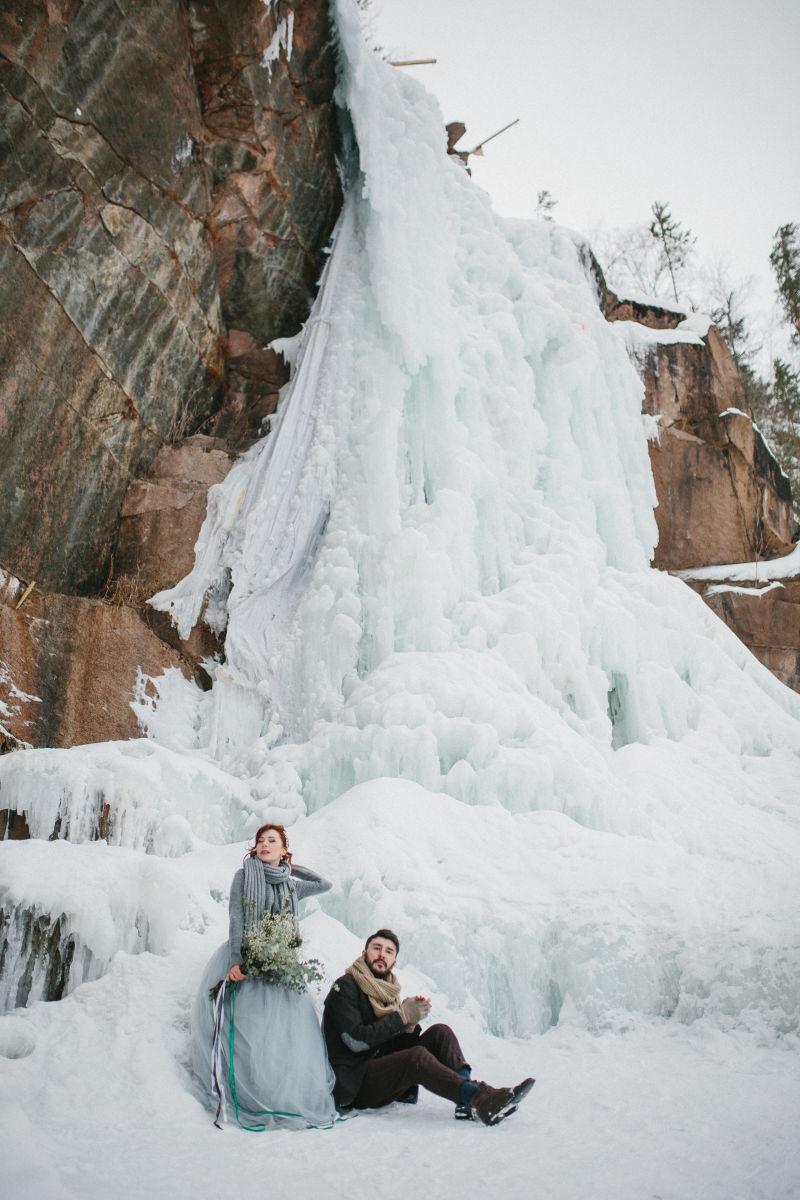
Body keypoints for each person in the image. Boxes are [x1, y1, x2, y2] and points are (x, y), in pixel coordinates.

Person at [191, 822, 337, 1130]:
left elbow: (324, 884)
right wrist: (236, 961)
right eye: (260, 841)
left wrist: (292, 867)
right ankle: (245, 1097)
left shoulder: (292, 885)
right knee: (248, 1037)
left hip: (280, 967)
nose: (264, 845)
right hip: (245, 962)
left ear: (283, 849)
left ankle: (278, 1097)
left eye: (273, 841)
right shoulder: (244, 877)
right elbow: (236, 918)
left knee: (279, 1039)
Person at [322, 928, 534, 1126]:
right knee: (416, 1057)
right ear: (364, 953)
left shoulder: (387, 992)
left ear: (394, 961)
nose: (381, 955)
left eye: (389, 951)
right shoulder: (346, 986)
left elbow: (390, 1045)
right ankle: (480, 1099)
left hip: (379, 1071)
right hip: (355, 1083)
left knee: (441, 1032)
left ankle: (468, 1100)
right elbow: (356, 1041)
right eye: (376, 948)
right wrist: (401, 1017)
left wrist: (409, 1024)